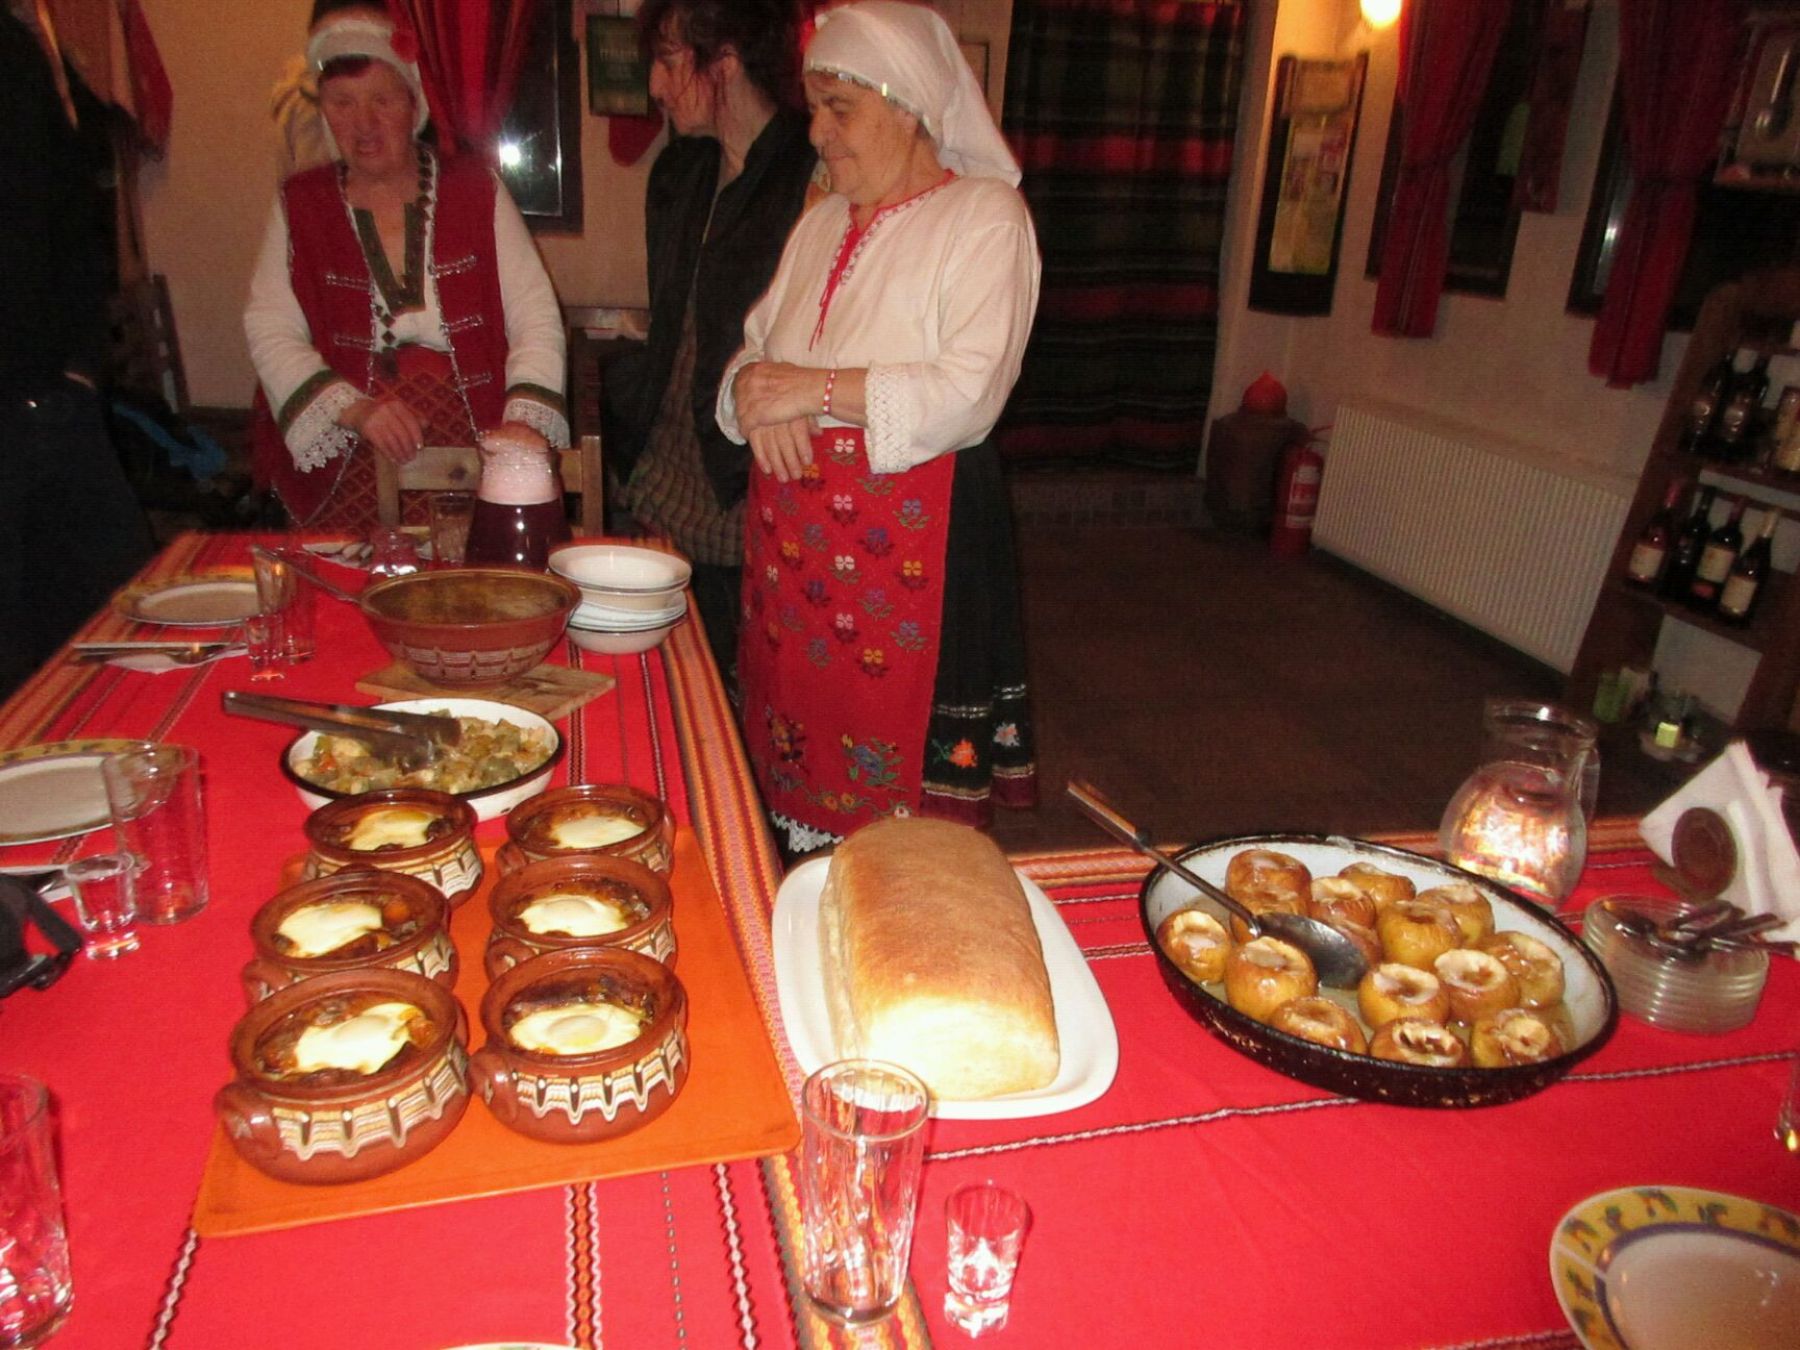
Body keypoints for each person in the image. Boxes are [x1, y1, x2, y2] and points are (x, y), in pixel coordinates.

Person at [719, 0, 1040, 856]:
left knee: (901, 840)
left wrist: (811, 390)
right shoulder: (820, 222)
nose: (817, 133)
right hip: (795, 568)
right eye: (815, 106)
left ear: (908, 105)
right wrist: (753, 396)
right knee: (788, 784)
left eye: (840, 109)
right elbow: (752, 354)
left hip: (909, 560)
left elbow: (971, 392)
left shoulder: (985, 219)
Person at [245, 9, 567, 529]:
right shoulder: (299, 204)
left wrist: (521, 421)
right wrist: (354, 409)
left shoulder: (476, 190)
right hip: (351, 453)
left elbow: (534, 314)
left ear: (413, 103)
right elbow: (269, 326)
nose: (363, 123)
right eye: (343, 103)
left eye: (382, 100)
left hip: (472, 450)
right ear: (324, 108)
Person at [614, 0, 818, 686]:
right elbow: (672, 329)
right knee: (652, 681)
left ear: (724, 63)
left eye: (671, 63)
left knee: (737, 694)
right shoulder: (677, 175)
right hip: (658, 477)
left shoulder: (811, 175)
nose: (656, 86)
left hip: (744, 484)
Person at [1, 2, 153, 699]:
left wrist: (81, 366)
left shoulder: (18, 51)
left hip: (57, 399)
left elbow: (68, 216)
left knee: (123, 635)